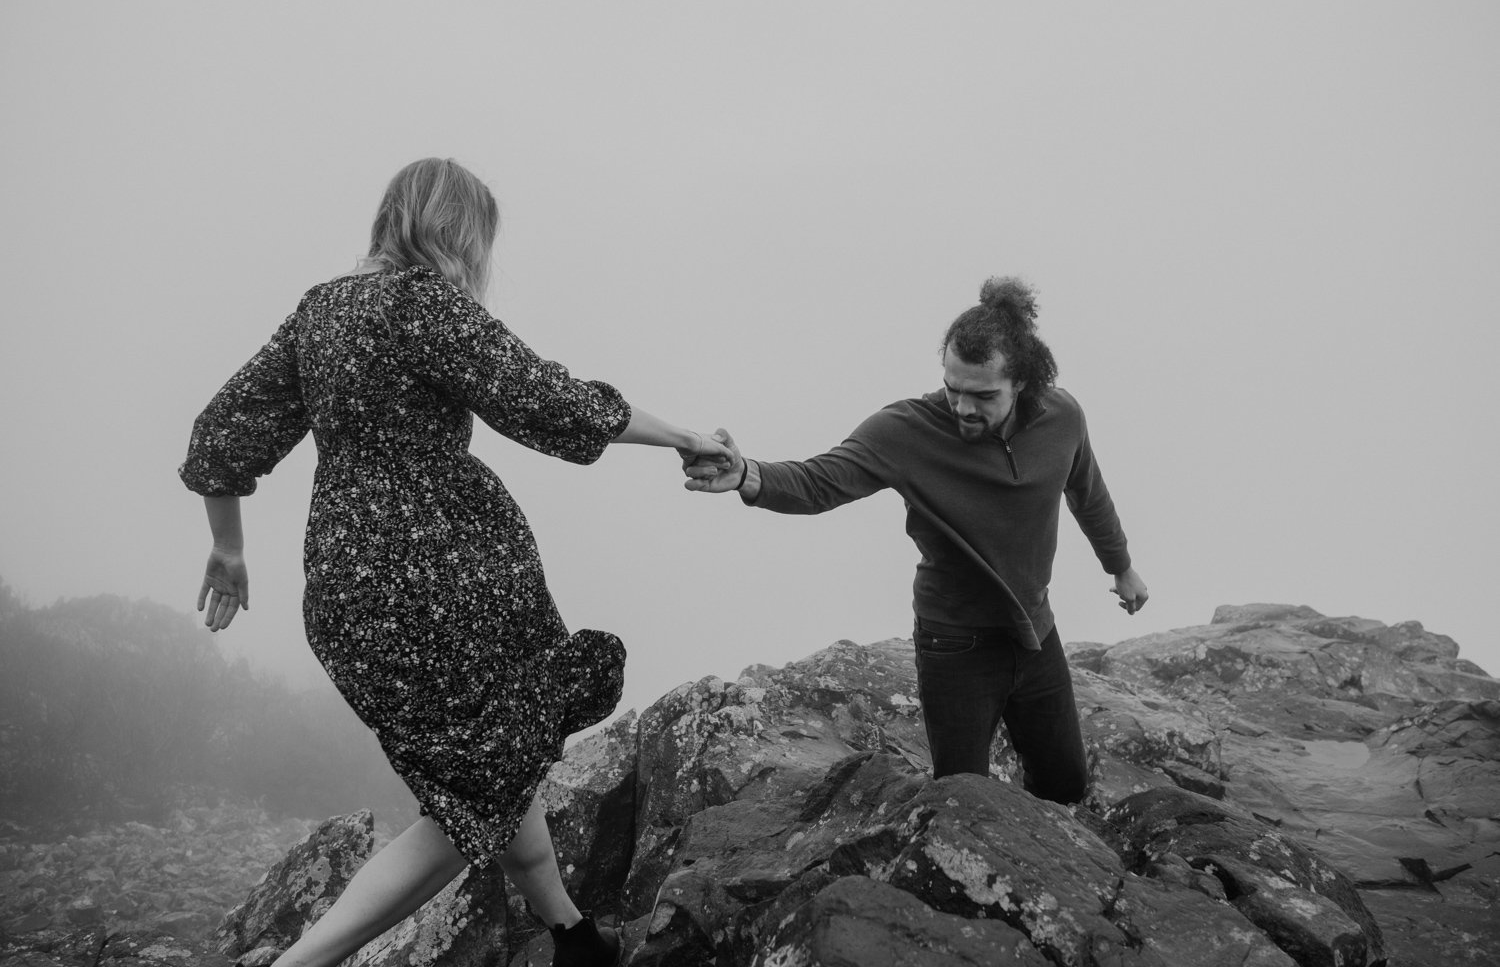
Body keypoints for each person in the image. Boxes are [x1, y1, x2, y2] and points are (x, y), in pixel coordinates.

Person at [180, 158, 728, 967]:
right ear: (456, 233)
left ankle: (573, 936)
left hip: (345, 587)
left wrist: (227, 547)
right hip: (447, 581)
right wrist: (683, 436)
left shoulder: (319, 312)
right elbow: (548, 400)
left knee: (494, 765)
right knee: (476, 793)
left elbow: (220, 436)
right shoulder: (422, 303)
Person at [684, 277, 1147, 803]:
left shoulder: (1064, 418)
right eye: (953, 389)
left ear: (1022, 381)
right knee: (963, 799)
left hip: (1036, 633)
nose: (964, 408)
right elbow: (818, 481)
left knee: (1066, 785)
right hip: (956, 644)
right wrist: (748, 475)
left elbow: (1088, 492)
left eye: (983, 396)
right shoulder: (907, 430)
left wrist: (1121, 566)